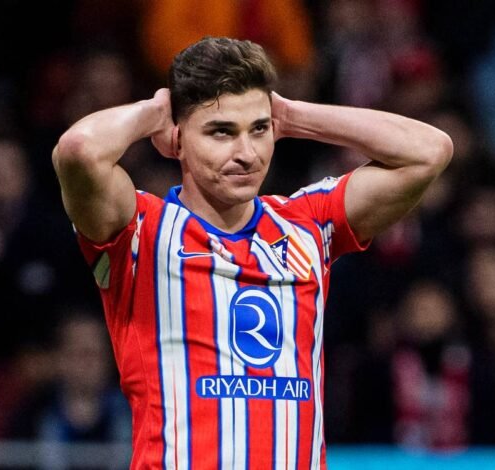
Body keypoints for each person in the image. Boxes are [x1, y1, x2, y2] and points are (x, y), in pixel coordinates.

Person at [52, 37, 452, 469]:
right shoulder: (140, 232)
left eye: (259, 130)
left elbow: (429, 151)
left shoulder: (308, 223)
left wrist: (293, 116)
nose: (246, 154)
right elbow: (79, 150)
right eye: (221, 132)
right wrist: (157, 111)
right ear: (177, 140)